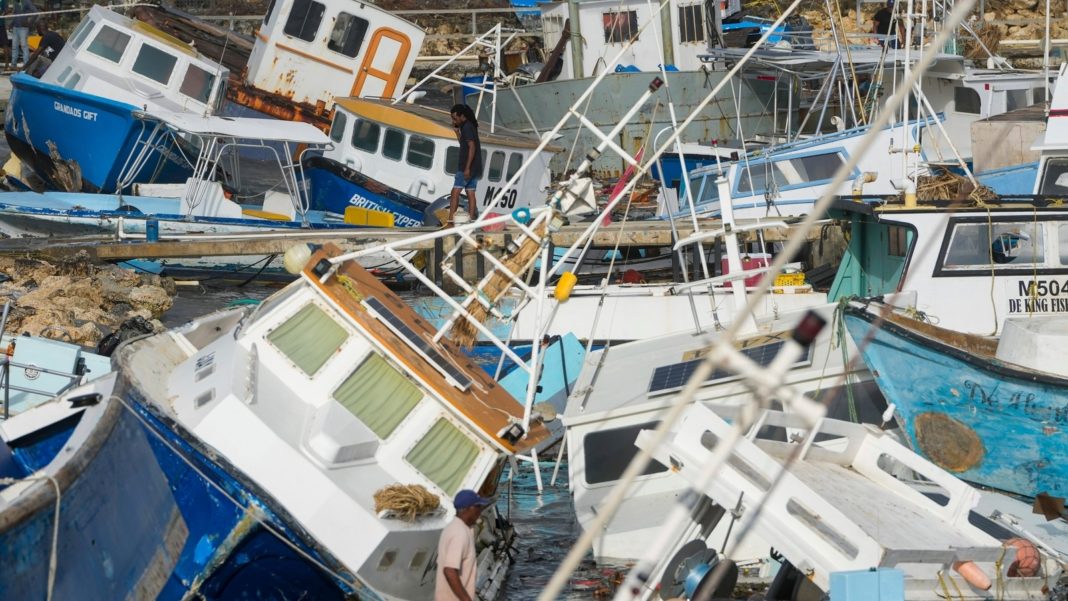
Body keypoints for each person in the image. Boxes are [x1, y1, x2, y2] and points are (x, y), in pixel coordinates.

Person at [435, 489, 492, 601]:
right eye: (478, 507)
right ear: (468, 509)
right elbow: (449, 571)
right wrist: (466, 599)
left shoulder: (454, 527)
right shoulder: (459, 533)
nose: (480, 511)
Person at [447, 104, 482, 225]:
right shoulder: (469, 126)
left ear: (462, 116)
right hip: (475, 167)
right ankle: (471, 219)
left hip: (466, 167)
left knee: (455, 192)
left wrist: (467, 168)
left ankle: (451, 219)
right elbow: (465, 144)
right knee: (470, 192)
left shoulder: (467, 127)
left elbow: (471, 147)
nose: (454, 121)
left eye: (455, 118)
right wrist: (457, 132)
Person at [10, 0, 35, 69]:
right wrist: (12, 23)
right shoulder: (15, 2)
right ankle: (13, 65)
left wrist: (30, 23)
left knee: (24, 46)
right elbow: (15, 14)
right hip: (15, 27)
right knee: (14, 46)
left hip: (23, 28)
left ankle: (26, 65)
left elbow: (35, 12)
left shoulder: (27, 1)